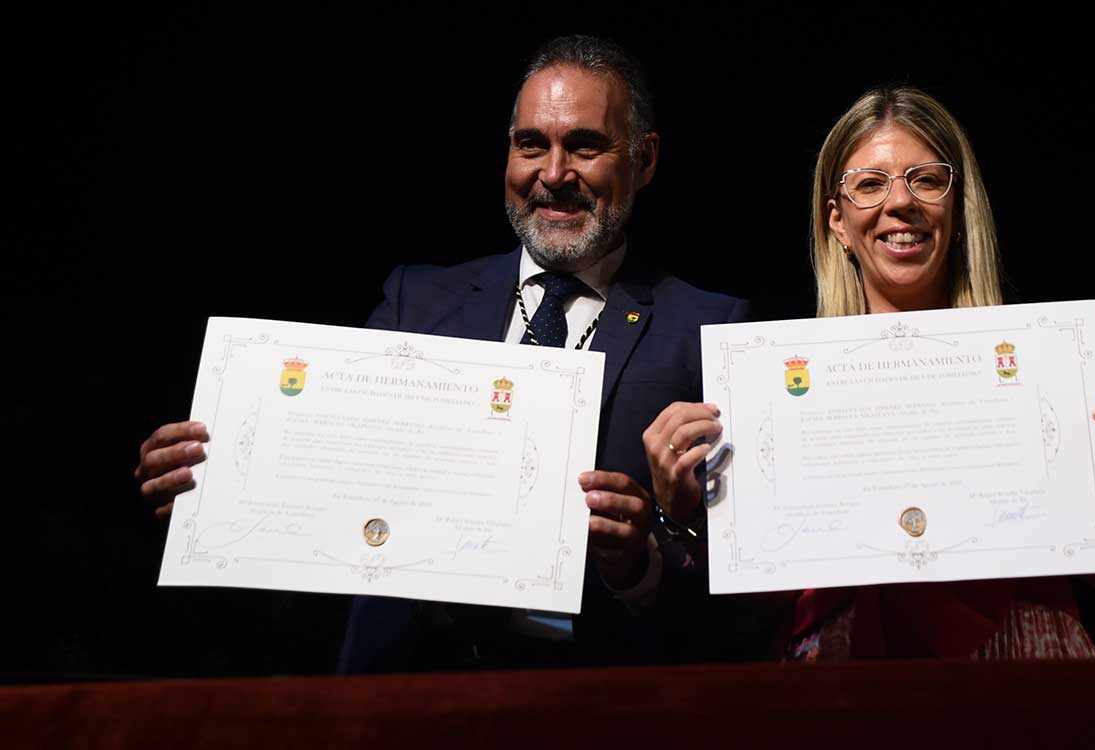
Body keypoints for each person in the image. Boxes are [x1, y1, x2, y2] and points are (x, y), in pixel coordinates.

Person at [132, 35, 751, 671]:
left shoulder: (704, 328)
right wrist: (211, 479)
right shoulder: (415, 303)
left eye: (585, 145)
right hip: (405, 686)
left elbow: (738, 589)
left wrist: (643, 567)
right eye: (531, 143)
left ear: (644, 159)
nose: (555, 173)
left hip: (599, 694)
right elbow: (320, 461)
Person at [645, 85, 1095, 661]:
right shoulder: (776, 389)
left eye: (925, 178)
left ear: (957, 203)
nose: (900, 203)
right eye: (870, 184)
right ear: (839, 222)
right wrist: (688, 515)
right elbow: (757, 600)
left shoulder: (1047, 367)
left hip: (1025, 661)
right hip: (842, 671)